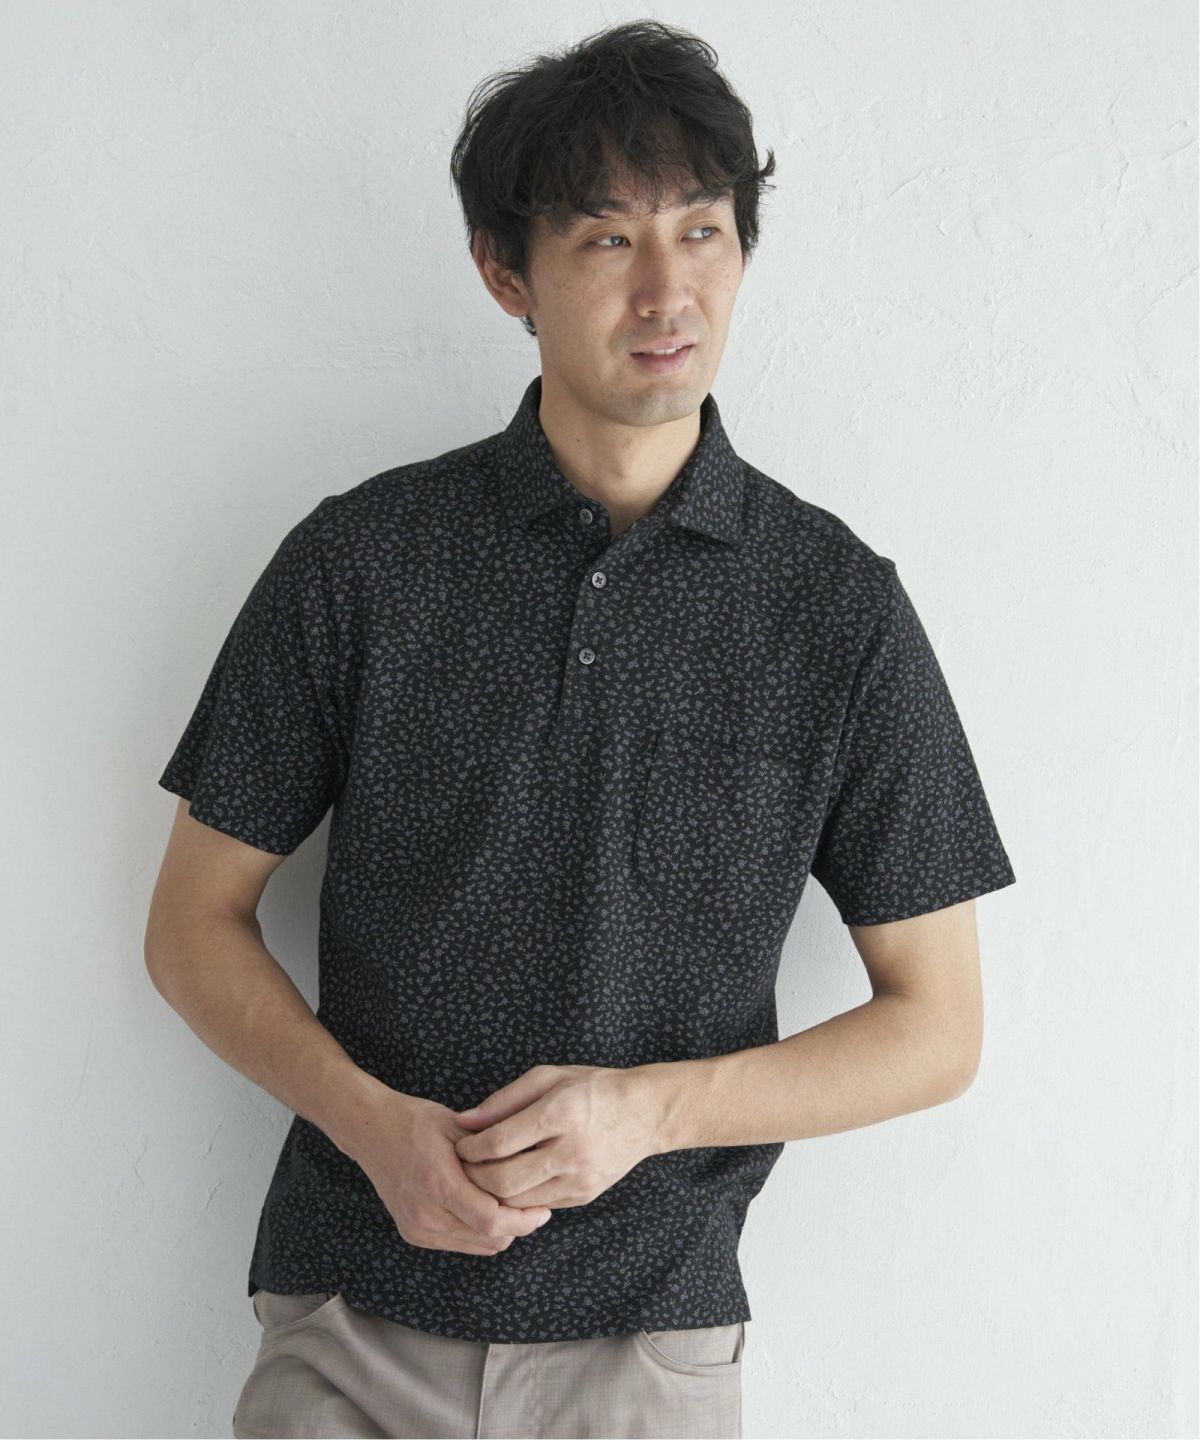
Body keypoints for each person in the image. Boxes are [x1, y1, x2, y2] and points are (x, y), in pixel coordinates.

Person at [144, 19, 1016, 1440]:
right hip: (353, 1323)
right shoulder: (361, 560)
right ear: (508, 273)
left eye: (703, 231)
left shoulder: (835, 608)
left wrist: (652, 1113)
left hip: (648, 1349)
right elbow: (191, 923)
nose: (669, 290)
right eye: (609, 239)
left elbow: (940, 1026)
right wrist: (373, 1128)